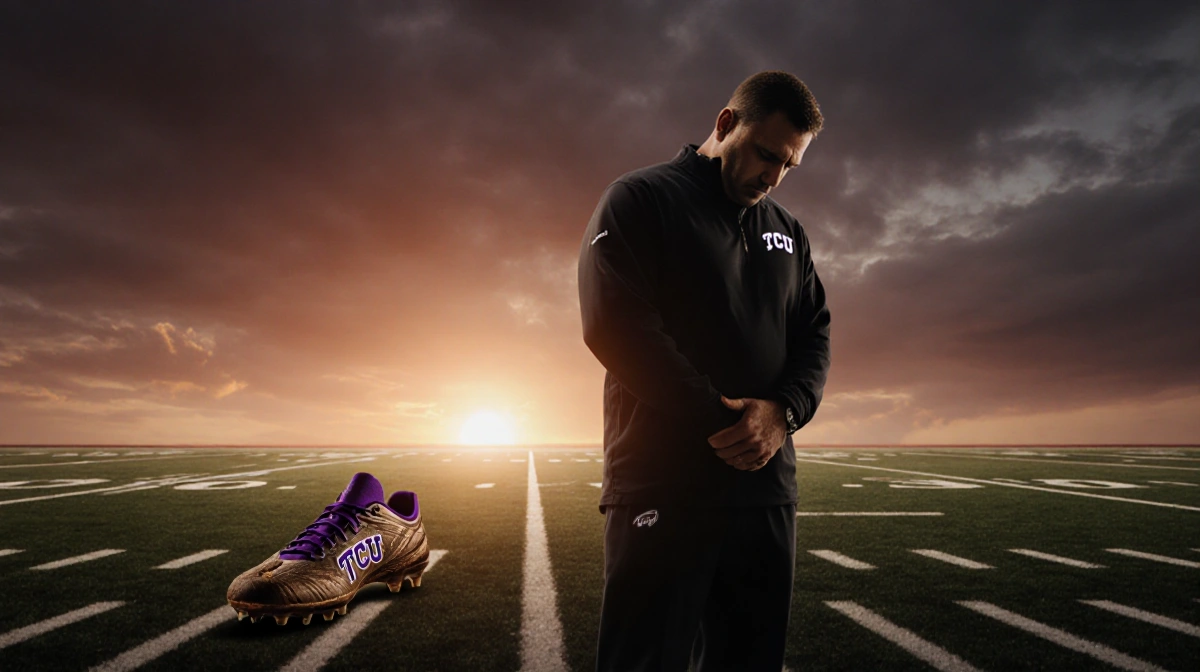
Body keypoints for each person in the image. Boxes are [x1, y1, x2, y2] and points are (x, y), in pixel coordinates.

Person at [577, 71, 831, 671]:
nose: (772, 176)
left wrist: (783, 413)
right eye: (766, 154)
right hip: (664, 486)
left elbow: (815, 333)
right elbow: (614, 325)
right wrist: (722, 420)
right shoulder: (640, 199)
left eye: (789, 166)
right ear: (724, 124)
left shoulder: (789, 235)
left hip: (764, 492)